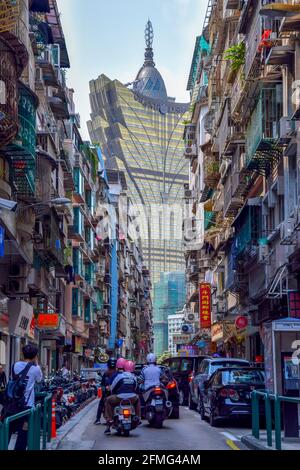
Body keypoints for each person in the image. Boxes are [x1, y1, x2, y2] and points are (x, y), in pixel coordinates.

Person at [5, 345, 43, 450]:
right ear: (35, 356)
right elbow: (39, 380)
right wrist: (36, 363)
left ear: (23, 354)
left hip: (12, 405)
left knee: (7, 432)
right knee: (23, 435)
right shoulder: (36, 369)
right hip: (26, 407)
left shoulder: (15, 365)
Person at [104, 358, 141, 435]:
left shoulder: (119, 376)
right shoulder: (133, 377)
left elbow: (112, 388)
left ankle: (110, 419)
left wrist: (113, 392)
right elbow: (136, 388)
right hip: (132, 398)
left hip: (120, 398)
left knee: (108, 400)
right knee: (137, 399)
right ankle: (138, 417)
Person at [94, 357, 117, 425]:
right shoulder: (115, 373)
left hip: (112, 393)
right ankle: (98, 419)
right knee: (101, 402)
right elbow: (103, 384)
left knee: (101, 403)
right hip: (112, 393)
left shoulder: (108, 373)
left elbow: (102, 384)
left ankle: (98, 419)